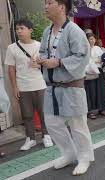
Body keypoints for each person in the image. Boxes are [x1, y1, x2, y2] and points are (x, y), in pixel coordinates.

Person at [38, 0, 94, 175]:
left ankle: (84, 157)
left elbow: (83, 56)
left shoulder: (74, 30)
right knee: (52, 122)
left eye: (49, 2)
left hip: (71, 85)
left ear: (62, 7)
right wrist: (39, 60)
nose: (45, 6)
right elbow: (43, 52)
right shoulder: (47, 31)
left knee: (77, 124)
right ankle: (69, 153)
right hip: (52, 87)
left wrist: (60, 62)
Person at [5, 19, 53, 151]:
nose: (19, 31)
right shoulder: (12, 48)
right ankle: (30, 138)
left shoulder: (40, 45)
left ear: (30, 30)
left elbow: (48, 63)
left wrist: (39, 64)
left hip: (40, 84)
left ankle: (46, 135)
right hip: (23, 86)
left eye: (22, 28)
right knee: (27, 114)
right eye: (17, 29)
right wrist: (14, 87)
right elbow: (11, 69)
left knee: (44, 112)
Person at [85, 33, 105, 119]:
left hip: (99, 71)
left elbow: (102, 59)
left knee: (101, 90)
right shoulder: (84, 49)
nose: (92, 40)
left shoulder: (98, 48)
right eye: (90, 39)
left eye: (93, 39)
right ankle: (90, 111)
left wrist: (103, 60)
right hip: (89, 72)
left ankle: (103, 108)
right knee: (90, 91)